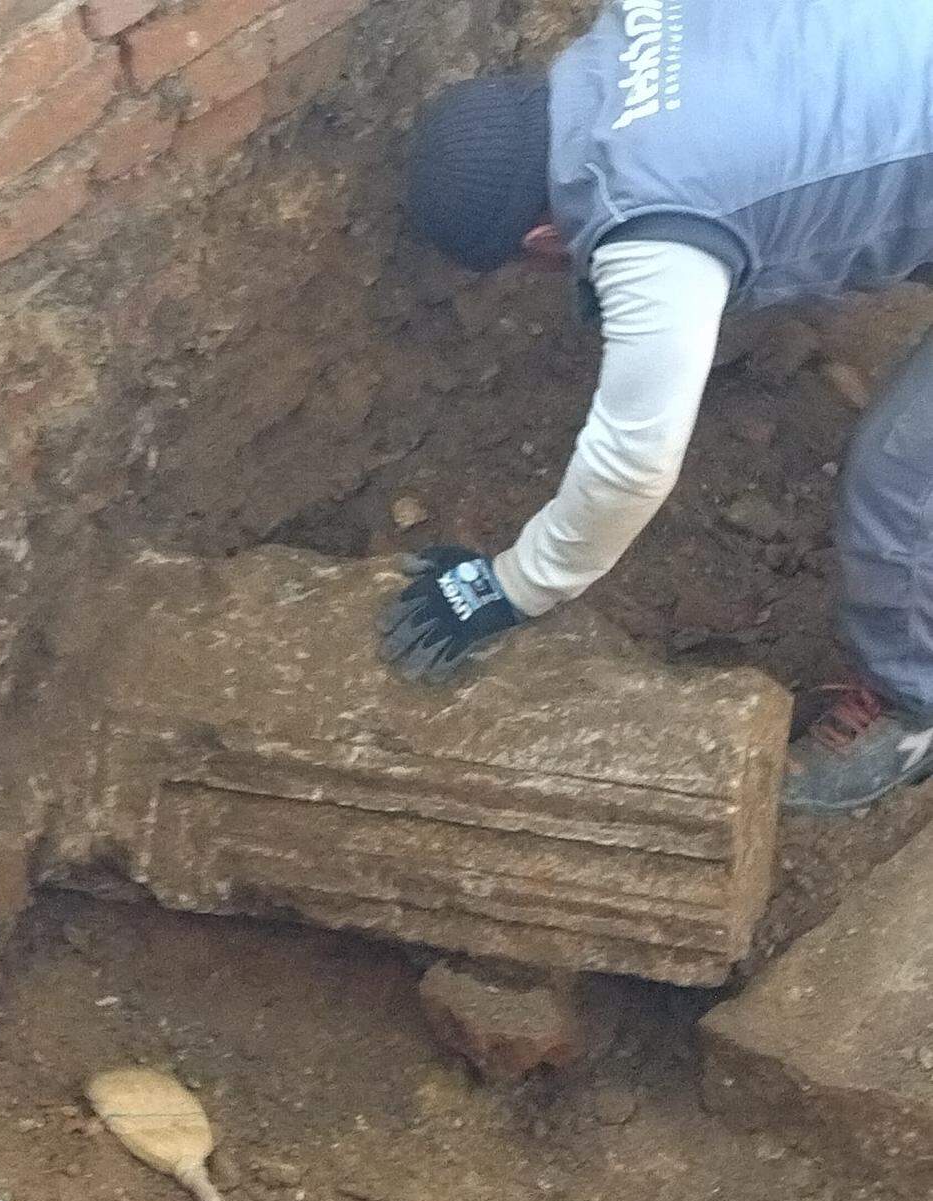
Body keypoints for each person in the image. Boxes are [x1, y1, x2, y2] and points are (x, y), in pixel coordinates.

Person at [379, 0, 933, 815]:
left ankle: (911, 701)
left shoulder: (654, 231)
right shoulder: (633, 27)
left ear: (539, 244)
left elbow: (633, 461)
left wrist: (510, 587)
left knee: (897, 484)